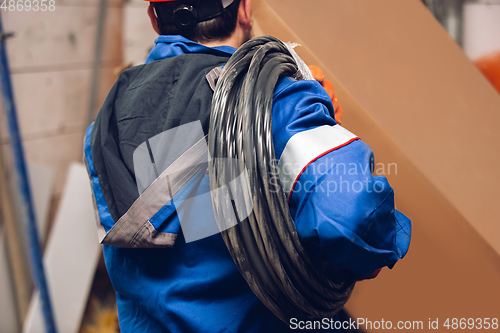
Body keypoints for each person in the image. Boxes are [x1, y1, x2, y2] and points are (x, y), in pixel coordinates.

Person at [84, 0, 411, 332]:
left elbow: (185, 214)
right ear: (244, 10)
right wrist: (311, 130)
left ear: (154, 18)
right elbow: (351, 216)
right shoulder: (278, 103)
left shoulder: (106, 124)